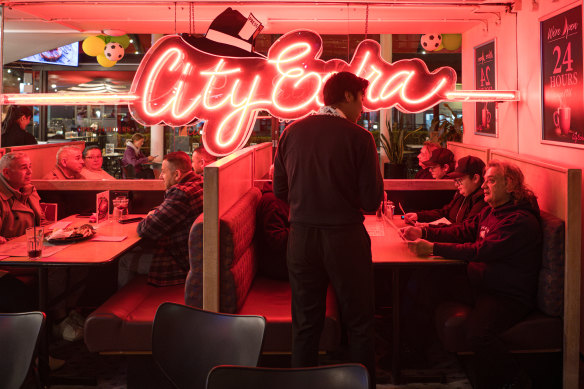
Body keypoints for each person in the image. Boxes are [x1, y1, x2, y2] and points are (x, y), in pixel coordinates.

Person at [273, 71, 383, 385]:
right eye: (362, 98)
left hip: (302, 238)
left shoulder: (291, 132)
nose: (363, 107)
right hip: (345, 237)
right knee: (360, 323)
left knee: (306, 324)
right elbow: (371, 201)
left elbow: (280, 189)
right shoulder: (360, 136)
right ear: (348, 96)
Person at [401, 160, 542, 388]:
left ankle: (516, 381)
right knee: (425, 280)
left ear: (510, 184)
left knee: (477, 334)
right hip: (480, 283)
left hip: (505, 294)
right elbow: (463, 230)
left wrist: (433, 247)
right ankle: (412, 351)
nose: (485, 186)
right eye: (485, 180)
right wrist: (424, 230)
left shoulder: (519, 221)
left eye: (491, 180)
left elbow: (481, 250)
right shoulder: (491, 210)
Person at [0, 152, 86, 341]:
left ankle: (68, 313)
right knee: (56, 266)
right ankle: (59, 319)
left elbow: (43, 221)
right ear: (6, 172)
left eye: (30, 166)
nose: (30, 171)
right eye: (24, 168)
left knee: (80, 263)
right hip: (11, 258)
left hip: (33, 248)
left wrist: (57, 231)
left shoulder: (29, 190)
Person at [119, 151, 203, 287]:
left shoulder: (181, 194)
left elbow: (146, 229)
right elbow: (165, 212)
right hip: (192, 257)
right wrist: (154, 213)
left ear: (177, 174)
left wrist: (150, 216)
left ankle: (121, 305)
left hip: (179, 263)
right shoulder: (199, 183)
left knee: (124, 260)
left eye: (163, 172)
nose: (161, 177)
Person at [404, 155, 488, 226]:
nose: (456, 184)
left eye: (460, 180)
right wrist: (418, 216)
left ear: (475, 178)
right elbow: (445, 212)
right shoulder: (462, 193)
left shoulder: (481, 199)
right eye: (456, 180)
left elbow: (465, 229)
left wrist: (430, 229)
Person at [256, 165, 289, 280]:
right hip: (279, 267)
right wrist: (301, 230)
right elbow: (276, 241)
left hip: (284, 261)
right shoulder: (273, 202)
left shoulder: (281, 198)